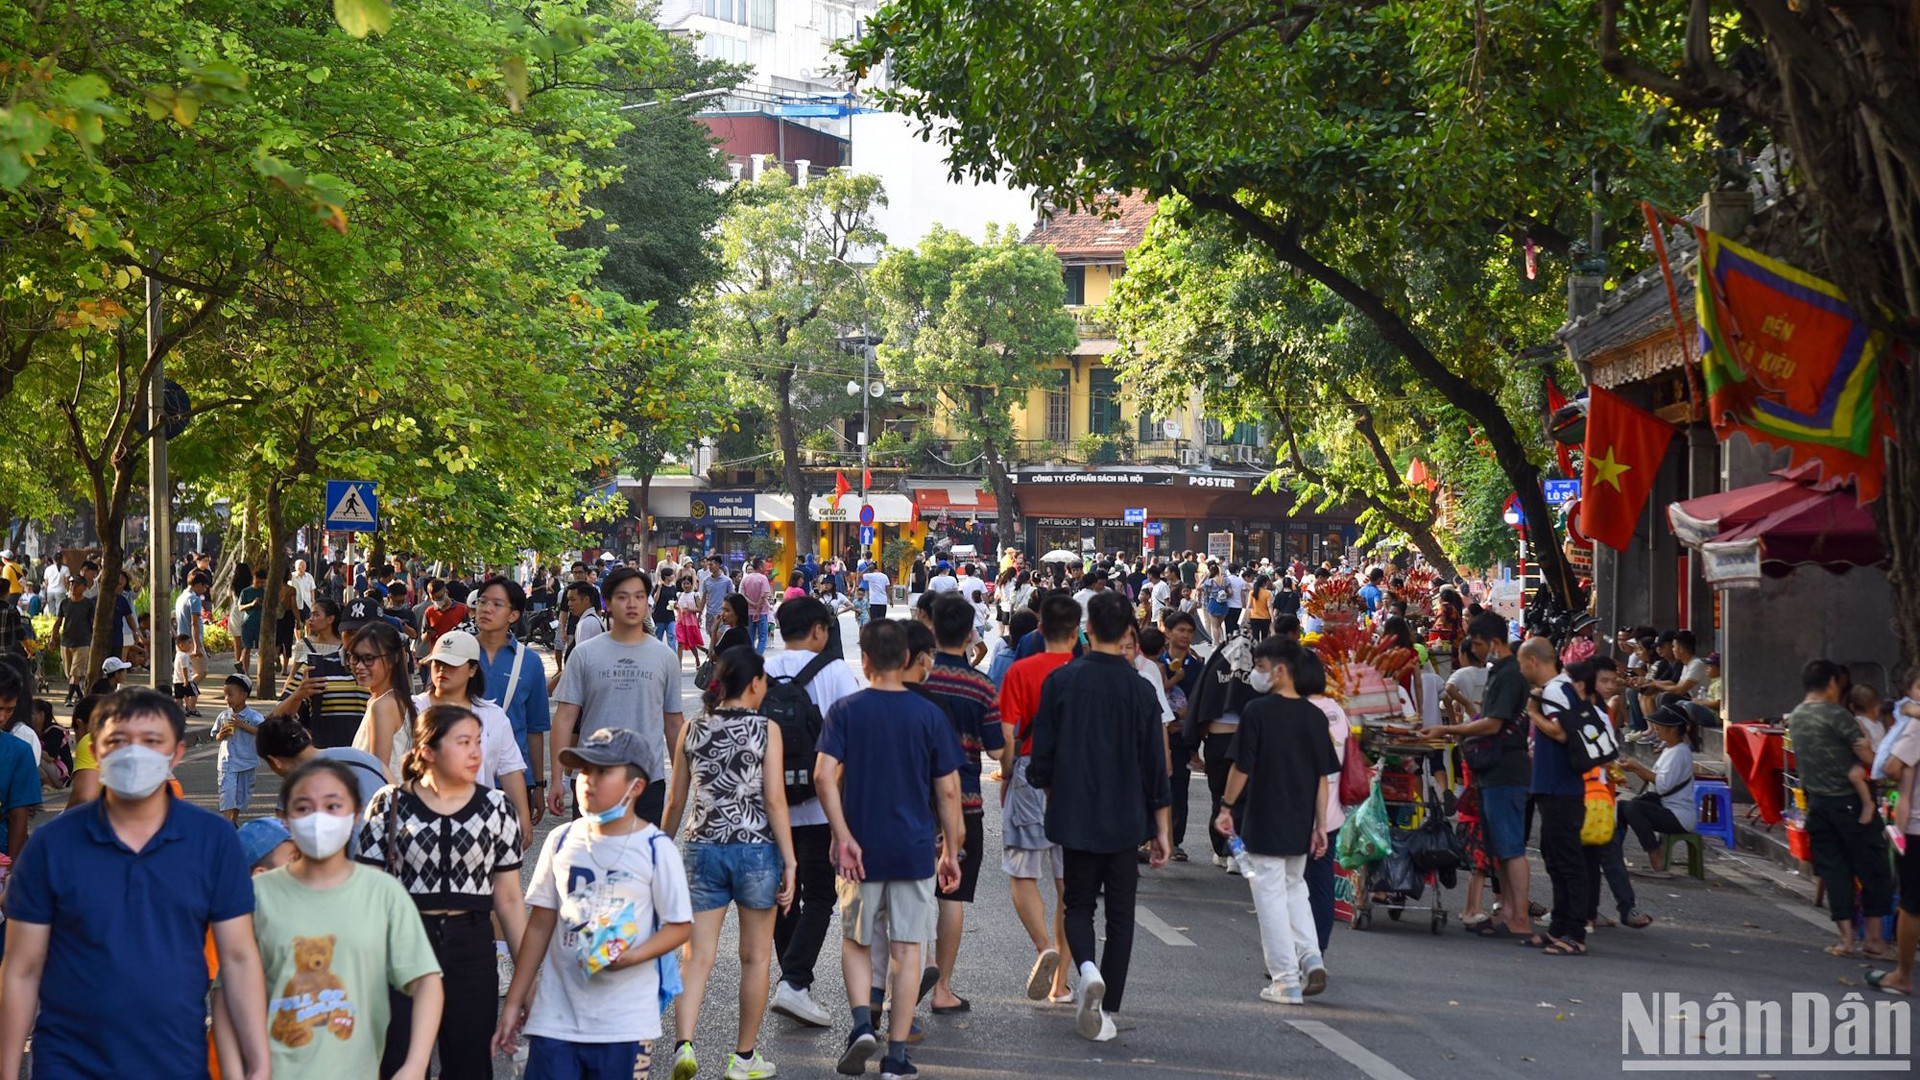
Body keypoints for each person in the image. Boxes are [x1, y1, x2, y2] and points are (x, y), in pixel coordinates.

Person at [0, 688, 271, 1080]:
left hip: (176, 1060)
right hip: (69, 1062)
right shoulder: (51, 847)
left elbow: (239, 959)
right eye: (118, 741)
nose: (134, 753)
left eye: (151, 741)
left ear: (176, 753)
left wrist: (258, 1064)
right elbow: (21, 969)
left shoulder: (213, 841)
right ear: (97, 750)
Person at [225, 759, 444, 1080]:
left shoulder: (383, 893)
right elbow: (227, 991)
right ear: (284, 819)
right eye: (303, 807)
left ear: (356, 815)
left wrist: (414, 1065)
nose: (318, 818)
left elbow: (426, 982)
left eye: (333, 805)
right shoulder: (256, 895)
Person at [495, 728, 693, 1080]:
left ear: (636, 787)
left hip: (625, 1024)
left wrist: (631, 956)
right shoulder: (561, 840)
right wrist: (515, 1000)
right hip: (556, 1018)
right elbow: (540, 925)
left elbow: (680, 926)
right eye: (584, 770)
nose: (588, 780)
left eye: (603, 772)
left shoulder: (655, 848)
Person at [814, 619, 963, 1079]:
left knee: (858, 941)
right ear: (906, 660)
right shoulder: (930, 716)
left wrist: (842, 835)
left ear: (864, 661)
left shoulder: (845, 710)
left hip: (861, 848)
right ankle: (896, 1056)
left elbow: (823, 776)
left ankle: (862, 1022)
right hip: (914, 848)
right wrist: (951, 850)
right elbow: (949, 792)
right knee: (908, 949)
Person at [355, 705, 527, 1077]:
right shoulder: (388, 803)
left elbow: (510, 899)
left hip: (472, 948)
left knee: (469, 1064)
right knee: (398, 1061)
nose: (476, 753)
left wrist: (528, 980)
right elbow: (366, 893)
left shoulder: (497, 808)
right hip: (402, 945)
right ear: (427, 751)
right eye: (463, 742)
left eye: (478, 743)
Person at [1029, 593, 1171, 1042]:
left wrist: (1052, 788)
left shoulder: (1062, 681)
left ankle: (1087, 968)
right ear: (1129, 631)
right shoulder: (1141, 689)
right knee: (1122, 915)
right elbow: (1156, 765)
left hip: (1075, 811)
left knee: (1078, 903)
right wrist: (1162, 828)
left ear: (1087, 629)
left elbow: (1042, 758)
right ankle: (1107, 1010)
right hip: (1127, 816)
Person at [662, 648, 795, 1080]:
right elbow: (775, 799)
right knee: (755, 957)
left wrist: (663, 848)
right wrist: (790, 860)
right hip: (756, 850)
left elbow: (676, 800)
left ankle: (685, 1045)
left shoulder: (692, 728)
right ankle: (743, 1058)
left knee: (695, 955)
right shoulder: (765, 729)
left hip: (702, 848)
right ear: (755, 683)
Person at [1215, 635, 1338, 1003]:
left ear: (1280, 670)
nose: (1257, 674)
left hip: (1265, 814)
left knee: (1268, 894)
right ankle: (1310, 955)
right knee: (1294, 887)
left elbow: (1242, 766)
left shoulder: (1258, 712)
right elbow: (1322, 778)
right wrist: (1320, 826)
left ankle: (1285, 978)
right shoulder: (1316, 717)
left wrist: (1225, 807)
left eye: (1262, 667)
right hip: (1301, 818)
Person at [765, 596, 864, 1029]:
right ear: (820, 631)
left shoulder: (761, 669)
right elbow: (855, 741)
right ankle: (795, 980)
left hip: (772, 804)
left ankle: (792, 975)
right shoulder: (836, 671)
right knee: (820, 895)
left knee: (783, 893)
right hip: (821, 805)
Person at [920, 595, 1006, 1014]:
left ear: (931, 628)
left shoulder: (918, 678)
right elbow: (995, 749)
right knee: (951, 896)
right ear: (971, 634)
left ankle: (923, 966)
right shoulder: (982, 685)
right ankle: (943, 988)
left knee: (913, 890)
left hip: (915, 801)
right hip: (965, 801)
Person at [996, 594, 1080, 1004]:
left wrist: (1007, 775)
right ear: (1078, 631)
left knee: (1022, 870)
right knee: (1068, 883)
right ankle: (1060, 983)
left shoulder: (1021, 671)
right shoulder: (1084, 673)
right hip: (1076, 782)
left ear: (1040, 630)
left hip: (1030, 771)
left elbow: (1007, 737)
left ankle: (1042, 945)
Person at [550, 566, 683, 825]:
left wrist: (682, 781)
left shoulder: (665, 656)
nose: (632, 604)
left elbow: (674, 723)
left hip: (647, 779)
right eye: (622, 597)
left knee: (642, 861)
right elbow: (565, 719)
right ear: (608, 603)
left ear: (648, 601)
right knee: (591, 859)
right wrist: (557, 778)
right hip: (593, 778)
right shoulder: (584, 654)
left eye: (639, 596)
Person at [1431, 612, 1533, 940]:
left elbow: (1492, 723)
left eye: (1477, 644)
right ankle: (1507, 912)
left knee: (1511, 846)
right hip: (1495, 771)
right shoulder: (1501, 672)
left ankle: (1519, 918)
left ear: (1494, 641)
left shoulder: (1510, 674)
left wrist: (1449, 728)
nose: (1475, 651)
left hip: (1506, 770)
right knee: (1501, 846)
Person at [1786, 658, 1894, 958]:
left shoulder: (1796, 716)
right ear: (1832, 683)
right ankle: (1873, 938)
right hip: (1852, 803)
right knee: (1873, 868)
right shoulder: (1837, 715)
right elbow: (1869, 756)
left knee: (1834, 871)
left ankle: (1845, 939)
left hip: (1817, 804)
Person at [416, 629, 534, 846]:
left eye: (452, 664)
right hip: (419, 826)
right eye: (437, 663)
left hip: (478, 828)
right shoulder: (412, 710)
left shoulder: (493, 716)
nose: (442, 670)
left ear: (472, 669)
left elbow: (510, 770)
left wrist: (523, 818)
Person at [1518, 636, 1595, 955]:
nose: (1521, 669)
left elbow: (1560, 732)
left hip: (1563, 788)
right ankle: (1558, 927)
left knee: (1567, 861)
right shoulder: (1555, 690)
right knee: (1553, 859)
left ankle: (1575, 934)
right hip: (1551, 787)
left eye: (1522, 663)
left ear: (1534, 661)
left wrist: (1532, 712)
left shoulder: (1556, 691)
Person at [472, 576, 551, 818]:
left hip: (512, 779)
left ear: (514, 615)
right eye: (482, 601)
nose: (486, 609)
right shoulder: (458, 654)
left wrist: (538, 785)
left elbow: (534, 729)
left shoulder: (529, 662)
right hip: (462, 776)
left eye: (497, 604)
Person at [1295, 651, 1350, 952]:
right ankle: (1318, 949)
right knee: (1321, 885)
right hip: (1331, 814)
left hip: (1303, 813)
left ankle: (1299, 951)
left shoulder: (1301, 712)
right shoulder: (1337, 711)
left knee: (1293, 887)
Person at [1867, 688, 1920, 996]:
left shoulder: (1914, 726)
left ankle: (1902, 975)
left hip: (1914, 827)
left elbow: (1892, 768)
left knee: (1912, 904)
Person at [1615, 702, 1699, 878]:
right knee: (1624, 806)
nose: (1656, 729)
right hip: (1666, 806)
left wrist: (1637, 767)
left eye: (1660, 726)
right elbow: (1655, 782)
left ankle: (1655, 852)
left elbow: (1662, 785)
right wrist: (1634, 769)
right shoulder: (1670, 749)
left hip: (1679, 816)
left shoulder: (1679, 753)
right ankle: (1613, 854)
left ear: (1674, 728)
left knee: (1632, 808)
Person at [273, 599, 371, 750]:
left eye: (365, 634)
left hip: (369, 768)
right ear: (342, 634)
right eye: (350, 633)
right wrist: (299, 694)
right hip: (325, 765)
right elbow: (275, 718)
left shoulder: (388, 672)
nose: (357, 640)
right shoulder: (314, 669)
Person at [257, 713, 391, 810]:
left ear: (275, 761)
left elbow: (288, 838)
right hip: (401, 842)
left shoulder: (296, 790)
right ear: (308, 735)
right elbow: (399, 792)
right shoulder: (366, 758)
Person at [347, 620, 420, 782]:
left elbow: (376, 772)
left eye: (368, 658)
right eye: (355, 657)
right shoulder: (387, 699)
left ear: (393, 659)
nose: (359, 666)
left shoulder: (383, 705)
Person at [214, 672, 264, 824]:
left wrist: (242, 725)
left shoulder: (254, 716)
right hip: (227, 762)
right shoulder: (223, 716)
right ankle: (227, 824)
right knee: (227, 793)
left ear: (243, 695)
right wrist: (221, 734)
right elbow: (216, 735)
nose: (227, 699)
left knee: (241, 796)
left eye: (230, 694)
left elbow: (262, 732)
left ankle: (233, 821)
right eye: (225, 695)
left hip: (246, 762)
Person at [0, 669, 38, 858]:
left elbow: (18, 815)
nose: (2, 718)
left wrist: (12, 871)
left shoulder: (19, 752)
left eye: (9, 710)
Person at [711, 593, 752, 658]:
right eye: (722, 610)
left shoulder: (732, 633)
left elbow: (712, 656)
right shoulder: (743, 631)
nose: (722, 614)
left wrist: (714, 630)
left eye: (727, 610)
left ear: (738, 612)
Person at [860, 561, 891, 625]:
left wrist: (867, 568)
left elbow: (860, 575)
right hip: (883, 602)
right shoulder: (884, 576)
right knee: (882, 621)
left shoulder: (871, 576)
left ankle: (875, 634)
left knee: (874, 622)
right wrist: (891, 600)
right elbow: (888, 589)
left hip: (874, 602)